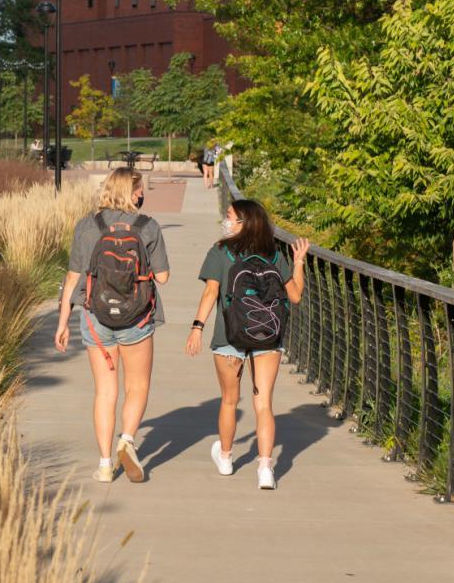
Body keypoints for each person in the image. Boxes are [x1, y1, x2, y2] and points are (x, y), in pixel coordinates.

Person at [55, 168, 171, 483]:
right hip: (137, 317)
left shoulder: (87, 226)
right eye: (139, 190)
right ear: (131, 193)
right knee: (137, 386)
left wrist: (63, 322)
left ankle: (105, 464)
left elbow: (73, 278)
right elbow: (162, 277)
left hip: (96, 317)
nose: (142, 195)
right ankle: (127, 441)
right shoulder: (148, 227)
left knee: (105, 392)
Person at [186, 198, 309, 489]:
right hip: (268, 335)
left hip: (229, 337)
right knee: (263, 402)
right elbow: (295, 296)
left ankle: (226, 458)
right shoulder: (274, 255)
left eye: (229, 216)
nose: (225, 221)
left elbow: (210, 293)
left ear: (243, 222)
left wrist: (197, 327)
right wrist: (299, 261)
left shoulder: (220, 252)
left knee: (230, 400)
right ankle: (266, 469)